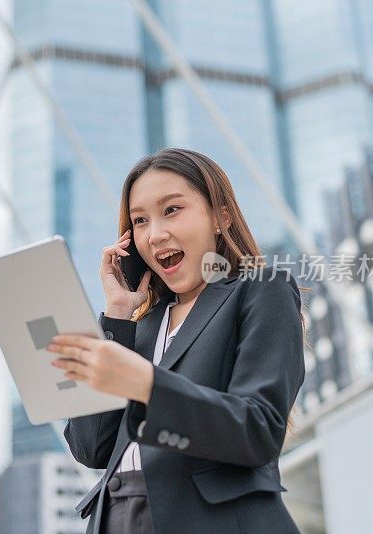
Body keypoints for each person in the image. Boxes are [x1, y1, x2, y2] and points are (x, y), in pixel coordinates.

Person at [47, 148, 309, 534]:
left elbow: (259, 430)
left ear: (221, 217)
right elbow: (91, 448)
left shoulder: (261, 291)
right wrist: (118, 314)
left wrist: (148, 384)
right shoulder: (141, 327)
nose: (155, 234)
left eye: (172, 210)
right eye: (139, 221)